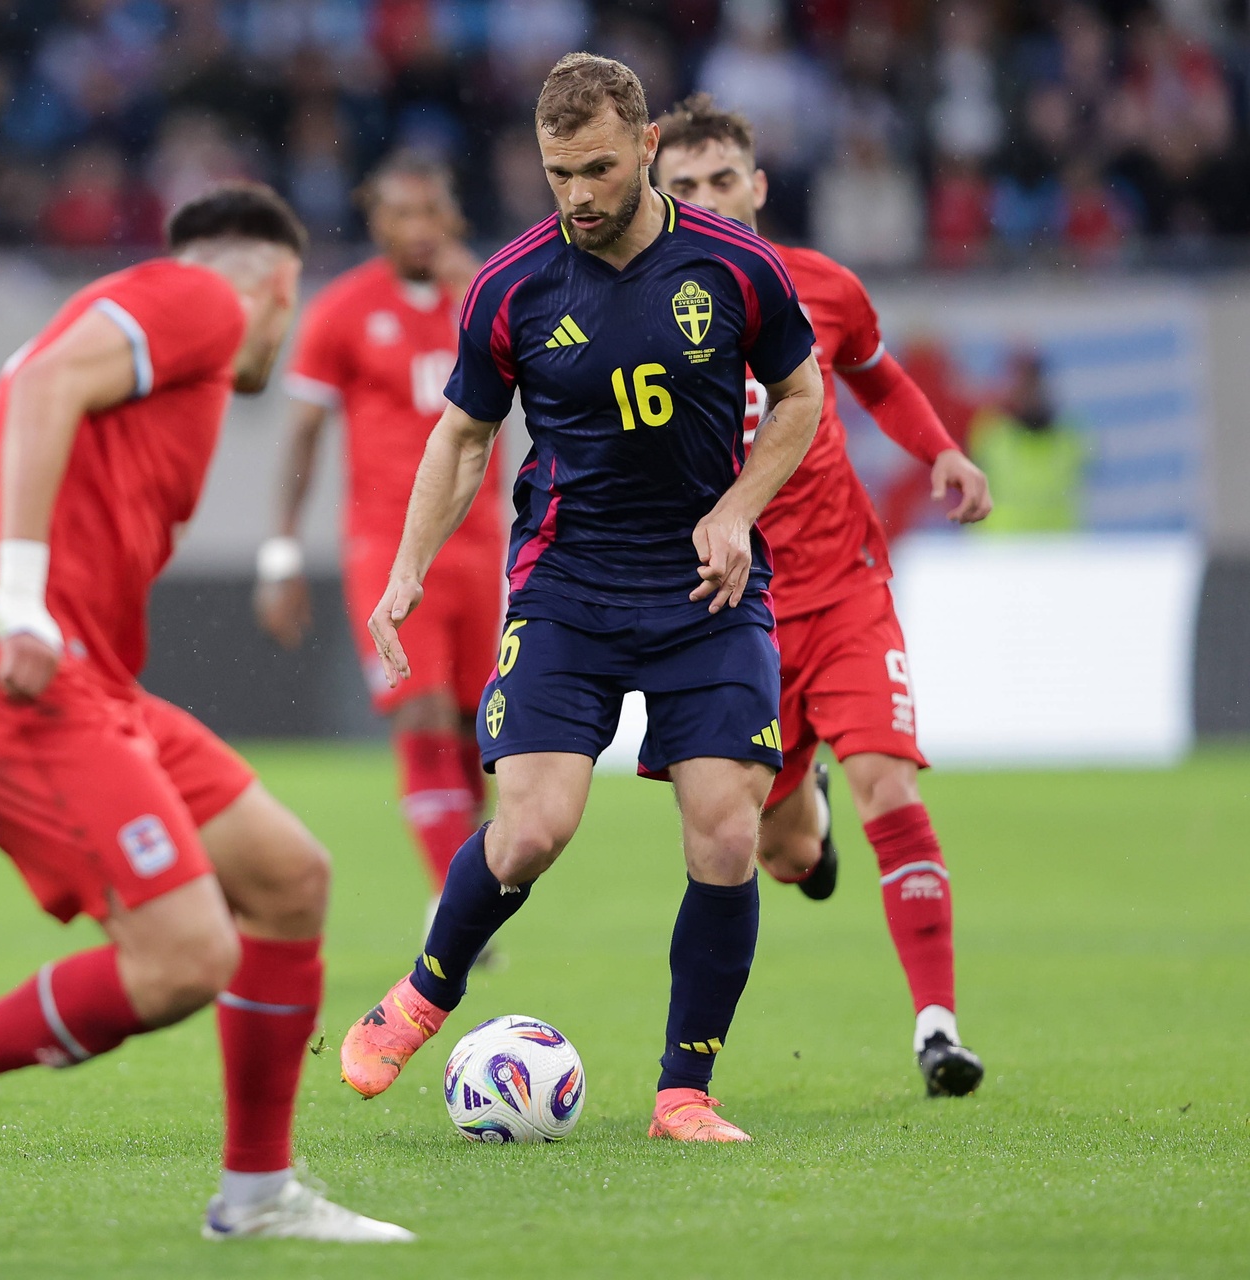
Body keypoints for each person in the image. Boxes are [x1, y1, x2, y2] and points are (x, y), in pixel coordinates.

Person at [0, 184, 414, 1247]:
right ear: (279, 288)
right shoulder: (201, 300)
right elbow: (48, 385)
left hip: (89, 684)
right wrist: (18, 598)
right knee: (186, 956)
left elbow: (51, 391)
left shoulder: (152, 327)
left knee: (289, 878)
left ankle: (257, 1192)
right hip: (11, 678)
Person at [339, 54, 824, 1144]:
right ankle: (423, 990)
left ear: (647, 149)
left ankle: (682, 1092)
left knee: (726, 833)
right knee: (531, 830)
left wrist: (741, 505)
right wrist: (408, 569)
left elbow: (801, 391)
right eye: (559, 171)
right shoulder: (512, 285)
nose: (579, 195)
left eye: (600, 167)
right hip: (567, 588)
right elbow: (463, 434)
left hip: (709, 587)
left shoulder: (737, 267)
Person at [652, 93, 993, 1096]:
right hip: (729, 611)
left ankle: (937, 1027)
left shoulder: (821, 288)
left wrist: (942, 452)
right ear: (658, 197)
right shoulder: (644, 303)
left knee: (892, 779)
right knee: (782, 849)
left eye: (723, 181)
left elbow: (878, 376)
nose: (708, 198)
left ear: (756, 186)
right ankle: (811, 823)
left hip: (845, 585)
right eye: (685, 186)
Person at [256, 150, 503, 928]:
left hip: (483, 541)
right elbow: (301, 437)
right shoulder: (343, 310)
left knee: (475, 727)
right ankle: (449, 899)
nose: (420, 229)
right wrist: (282, 553)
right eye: (402, 214)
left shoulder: (486, 298)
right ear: (376, 222)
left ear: (452, 219)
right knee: (419, 708)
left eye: (432, 212)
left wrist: (482, 293)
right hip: (386, 547)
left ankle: (465, 883)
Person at [968, 347, 1088, 535]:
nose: (1026, 392)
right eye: (1019, 383)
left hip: (1058, 552)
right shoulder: (989, 433)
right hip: (999, 553)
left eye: (1032, 382)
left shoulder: (1072, 436)